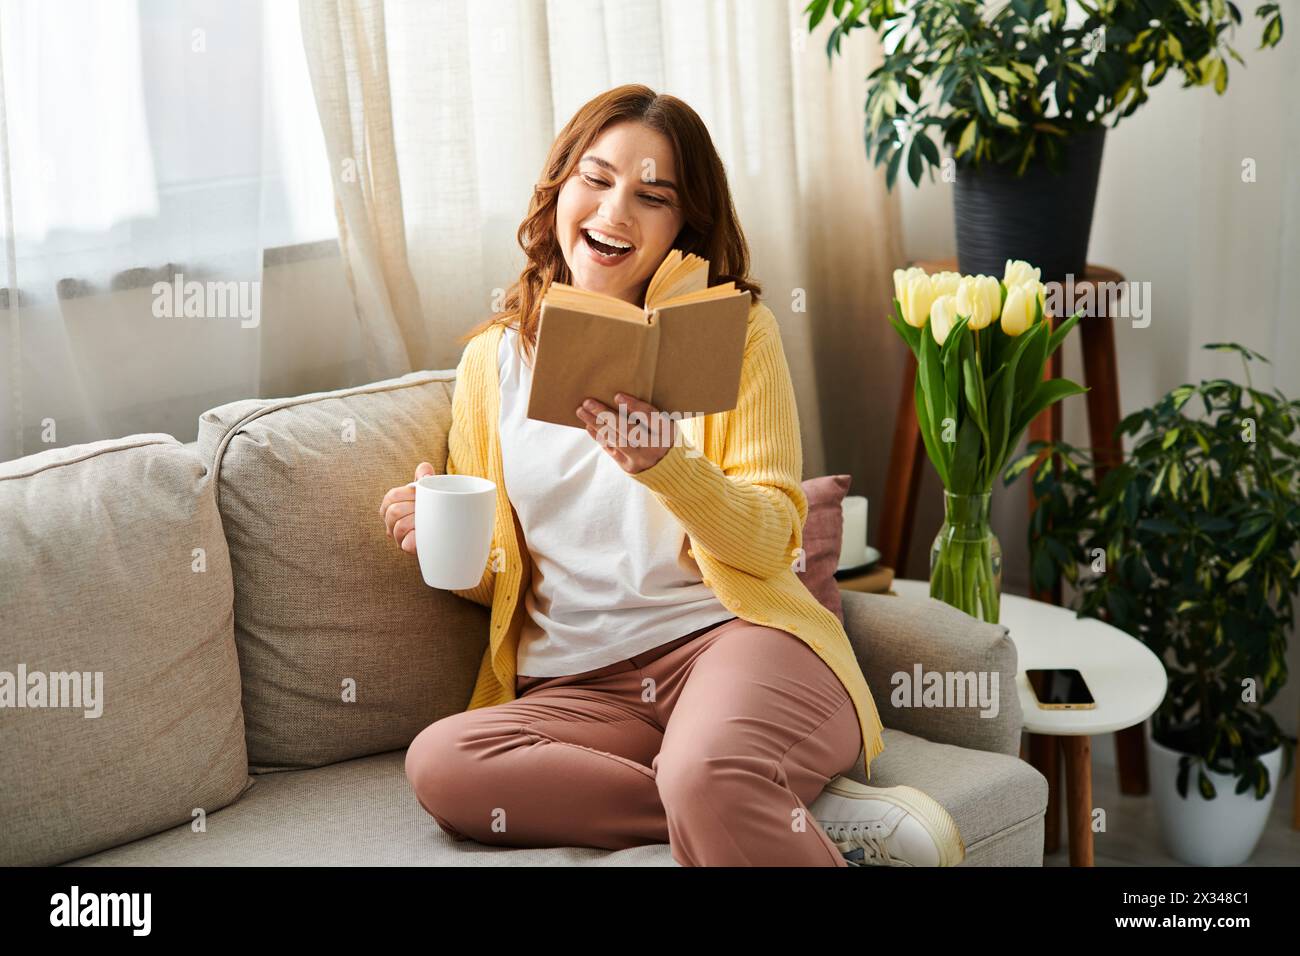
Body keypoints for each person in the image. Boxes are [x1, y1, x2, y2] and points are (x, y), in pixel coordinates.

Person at [379, 84, 964, 867]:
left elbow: (771, 543)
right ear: (558, 188)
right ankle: (782, 810)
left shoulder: (738, 336)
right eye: (596, 178)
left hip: (732, 643)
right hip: (581, 692)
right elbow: (502, 576)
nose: (615, 212)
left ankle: (729, 789)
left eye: (652, 196)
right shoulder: (490, 364)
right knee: (444, 765)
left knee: (707, 771)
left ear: (683, 222)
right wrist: (441, 544)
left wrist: (668, 467)